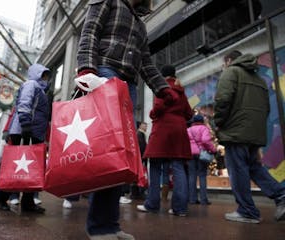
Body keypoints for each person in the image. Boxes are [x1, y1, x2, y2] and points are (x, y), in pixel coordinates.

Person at [77, 0, 179, 238]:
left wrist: (163, 89)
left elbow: (146, 62)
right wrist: (86, 69)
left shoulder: (140, 25)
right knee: (108, 152)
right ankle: (99, 227)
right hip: (104, 75)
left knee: (120, 154)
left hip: (129, 84)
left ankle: (111, 224)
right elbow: (89, 32)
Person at [214, 50, 285, 223]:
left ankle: (247, 211)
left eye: (224, 63)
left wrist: (219, 123)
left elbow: (223, 100)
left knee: (238, 170)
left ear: (229, 61)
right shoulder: (259, 79)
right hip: (254, 132)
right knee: (255, 169)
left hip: (236, 132)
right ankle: (282, 195)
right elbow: (266, 108)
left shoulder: (231, 72)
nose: (223, 67)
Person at [0, 64, 51, 213]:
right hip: (25, 131)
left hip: (34, 132)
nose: (46, 78)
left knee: (32, 168)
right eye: (44, 75)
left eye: (47, 75)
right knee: (16, 166)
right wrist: (25, 124)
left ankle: (28, 201)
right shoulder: (31, 85)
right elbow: (25, 103)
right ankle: (0, 197)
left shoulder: (42, 91)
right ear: (37, 74)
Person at [136, 65, 193, 216]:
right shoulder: (181, 90)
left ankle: (152, 204)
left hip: (162, 129)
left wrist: (152, 113)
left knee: (154, 165)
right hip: (179, 129)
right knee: (178, 166)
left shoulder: (162, 87)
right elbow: (189, 113)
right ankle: (179, 208)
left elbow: (158, 107)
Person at [187, 114, 217, 205]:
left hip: (190, 154)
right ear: (202, 121)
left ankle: (192, 199)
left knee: (192, 176)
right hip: (201, 153)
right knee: (202, 176)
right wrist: (213, 150)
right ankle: (203, 199)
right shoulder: (204, 128)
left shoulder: (188, 129)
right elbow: (205, 140)